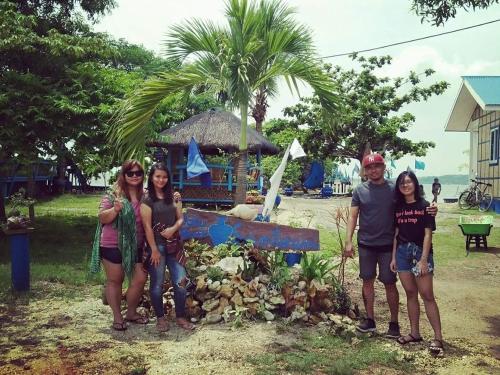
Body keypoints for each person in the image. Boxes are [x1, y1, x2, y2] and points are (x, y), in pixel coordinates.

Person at [344, 153, 401, 338]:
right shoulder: (360, 190)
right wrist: (348, 241)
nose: (373, 170)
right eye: (369, 167)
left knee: (389, 283)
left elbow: (412, 203)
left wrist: (431, 208)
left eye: (377, 166)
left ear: (384, 168)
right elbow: (353, 216)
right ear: (364, 171)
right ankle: (370, 320)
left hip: (388, 246)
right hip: (366, 244)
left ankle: (394, 323)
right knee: (367, 281)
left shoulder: (395, 189)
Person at [90, 160, 149, 331]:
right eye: (130, 173)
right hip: (111, 244)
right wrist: (115, 210)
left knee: (140, 279)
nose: (135, 176)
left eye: (138, 173)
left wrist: (175, 199)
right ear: (123, 175)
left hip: (135, 245)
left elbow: (159, 204)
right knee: (115, 280)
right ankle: (117, 317)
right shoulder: (112, 194)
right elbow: (102, 217)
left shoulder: (144, 195)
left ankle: (131, 313)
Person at [390, 171, 443, 354]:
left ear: (415, 184)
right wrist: (394, 257)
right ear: (398, 187)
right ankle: (414, 333)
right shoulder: (398, 207)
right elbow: (396, 234)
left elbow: (428, 235)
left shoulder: (425, 206)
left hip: (421, 252)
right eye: (402, 183)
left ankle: (438, 338)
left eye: (408, 182)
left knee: (427, 295)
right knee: (410, 293)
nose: (405, 185)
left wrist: (423, 260)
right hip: (402, 252)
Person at [141, 162, 195, 332]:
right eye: (157, 176)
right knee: (156, 284)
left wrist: (173, 228)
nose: (161, 180)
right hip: (156, 246)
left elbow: (180, 219)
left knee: (181, 282)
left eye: (164, 177)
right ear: (151, 177)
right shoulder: (147, 200)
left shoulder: (174, 196)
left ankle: (180, 317)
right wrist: (154, 250)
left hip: (174, 246)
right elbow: (147, 227)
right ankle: (160, 319)